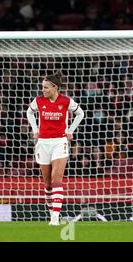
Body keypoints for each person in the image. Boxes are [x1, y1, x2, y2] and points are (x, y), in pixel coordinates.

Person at [26, 71, 84, 226]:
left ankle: (54, 219)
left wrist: (70, 131)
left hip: (60, 142)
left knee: (56, 179)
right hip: (43, 143)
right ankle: (52, 213)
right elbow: (29, 112)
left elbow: (80, 113)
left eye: (46, 87)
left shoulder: (66, 101)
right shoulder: (38, 101)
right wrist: (35, 129)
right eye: (42, 87)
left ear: (54, 87)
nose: (43, 90)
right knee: (47, 184)